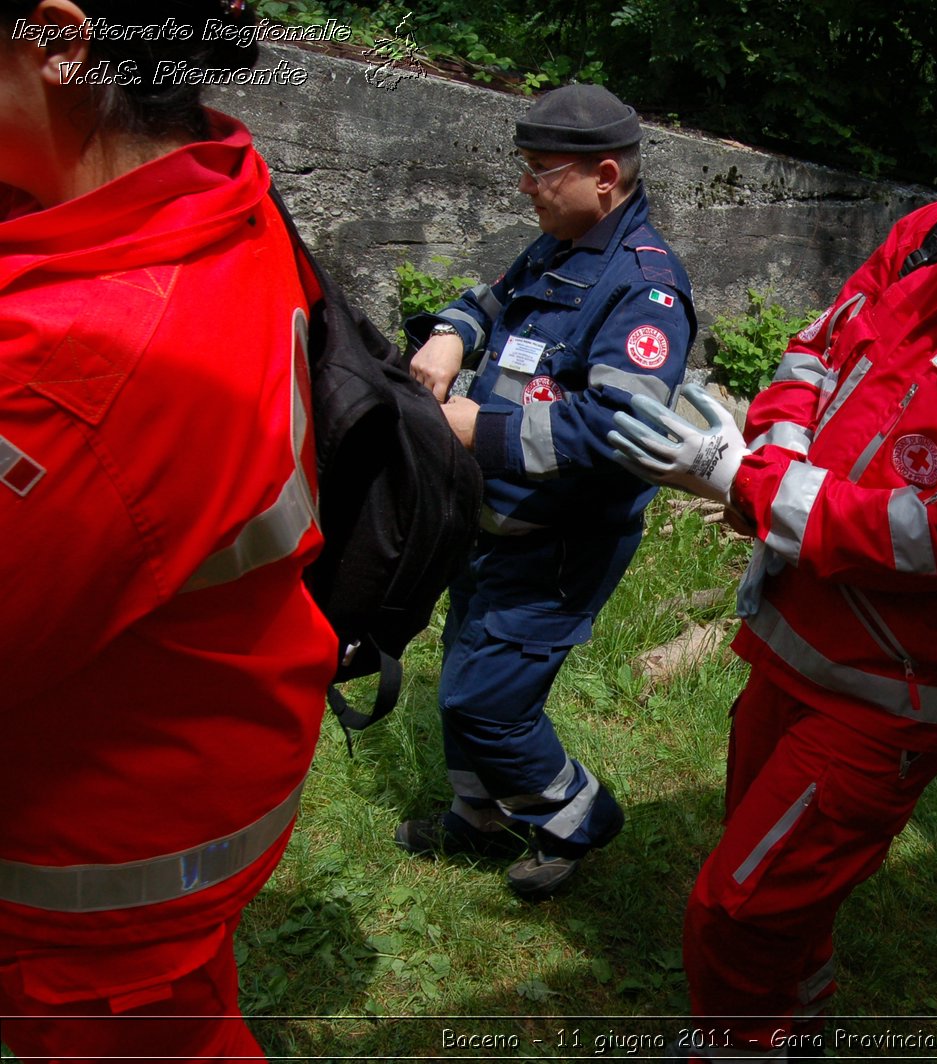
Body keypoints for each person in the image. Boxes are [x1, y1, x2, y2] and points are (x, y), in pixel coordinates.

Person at [611, 70, 937, 1055]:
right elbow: (815, 351)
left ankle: (744, 1040)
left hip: (891, 688)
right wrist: (763, 456)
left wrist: (746, 483)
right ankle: (794, 1018)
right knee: (781, 883)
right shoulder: (934, 235)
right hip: (789, 629)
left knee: (738, 903)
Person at [0, 1, 339, 1060]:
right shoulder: (202, 179)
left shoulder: (72, 372)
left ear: (61, 43)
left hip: (93, 886)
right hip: (196, 760)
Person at [398, 83, 696, 901]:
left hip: (560, 542)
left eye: (540, 171)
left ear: (604, 176)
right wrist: (456, 333)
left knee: (487, 703)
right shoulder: (561, 245)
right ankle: (476, 821)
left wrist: (472, 430)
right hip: (495, 522)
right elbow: (490, 300)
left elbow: (614, 431)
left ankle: (579, 817)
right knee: (465, 668)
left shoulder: (645, 291)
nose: (525, 186)